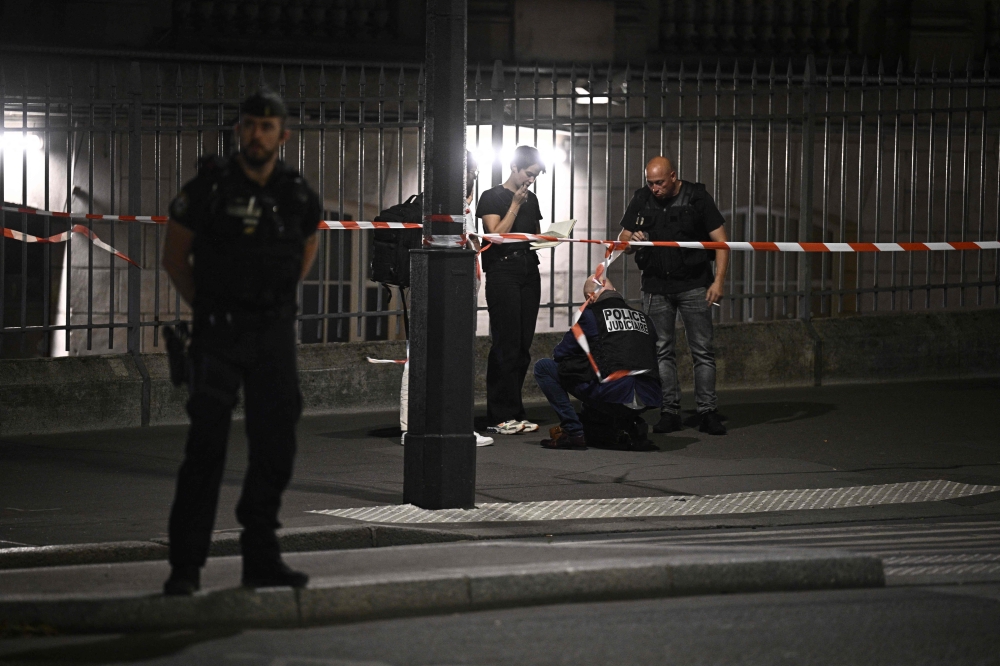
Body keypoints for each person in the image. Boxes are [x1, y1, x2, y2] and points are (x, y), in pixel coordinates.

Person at [160, 89, 321, 595]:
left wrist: (269, 304)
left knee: (275, 447)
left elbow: (306, 249)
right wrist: (208, 308)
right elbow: (174, 258)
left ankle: (261, 559)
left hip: (271, 333)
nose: (257, 134)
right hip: (218, 333)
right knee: (205, 447)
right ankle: (186, 567)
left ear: (282, 135)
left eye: (267, 127)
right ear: (239, 131)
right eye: (250, 125)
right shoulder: (207, 188)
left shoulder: (296, 193)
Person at [617, 156, 730, 436]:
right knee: (661, 351)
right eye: (650, 183)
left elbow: (722, 242)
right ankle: (670, 411)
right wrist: (632, 242)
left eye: (659, 183)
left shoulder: (697, 197)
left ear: (673, 176)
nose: (654, 188)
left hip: (694, 283)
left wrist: (718, 281)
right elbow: (622, 239)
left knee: (702, 351)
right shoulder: (641, 198)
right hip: (656, 285)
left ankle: (707, 411)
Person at [399, 151, 493, 447]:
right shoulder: (454, 206)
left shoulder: (432, 202)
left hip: (435, 281)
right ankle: (454, 427)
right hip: (453, 284)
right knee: (453, 354)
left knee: (419, 351)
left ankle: (410, 425)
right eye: (472, 175)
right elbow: (461, 245)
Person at [532, 274, 660, 450]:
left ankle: (573, 431)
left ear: (589, 298)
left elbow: (561, 353)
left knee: (544, 367)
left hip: (616, 394)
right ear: (614, 291)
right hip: (649, 396)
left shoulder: (591, 315)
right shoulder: (644, 318)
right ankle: (627, 423)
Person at [476, 145, 546, 436]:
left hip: (529, 268)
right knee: (505, 343)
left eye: (535, 176)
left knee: (522, 346)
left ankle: (515, 410)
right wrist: (515, 204)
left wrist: (549, 239)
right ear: (515, 168)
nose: (531, 180)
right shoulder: (492, 196)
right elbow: (497, 236)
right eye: (529, 174)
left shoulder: (533, 199)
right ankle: (499, 415)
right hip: (503, 270)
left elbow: (529, 236)